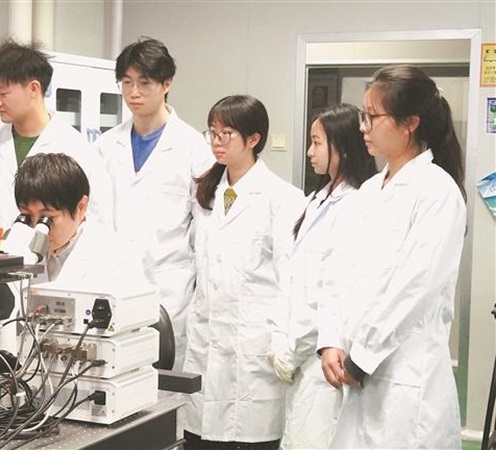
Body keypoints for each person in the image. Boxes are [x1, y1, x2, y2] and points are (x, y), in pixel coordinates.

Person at [317, 65, 466, 448]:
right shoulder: (368, 191)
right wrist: (330, 340)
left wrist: (363, 357)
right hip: (356, 373)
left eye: (372, 116)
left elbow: (414, 288)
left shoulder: (437, 192)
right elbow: (336, 271)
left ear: (410, 123)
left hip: (405, 379)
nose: (362, 127)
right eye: (363, 115)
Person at [182, 95, 304, 449]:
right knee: (199, 436)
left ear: (253, 139)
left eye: (227, 133)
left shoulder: (282, 197)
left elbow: (290, 278)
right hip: (206, 339)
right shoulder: (205, 192)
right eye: (212, 132)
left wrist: (283, 343)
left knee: (247, 437)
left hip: (252, 345)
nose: (217, 141)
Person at [95, 37, 213, 369]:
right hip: (116, 287)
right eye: (127, 82)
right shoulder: (106, 146)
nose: (134, 92)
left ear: (167, 84)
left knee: (164, 386)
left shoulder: (193, 148)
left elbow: (204, 232)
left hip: (170, 292)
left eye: (144, 83)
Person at [266, 103, 377, 449]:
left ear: (342, 147)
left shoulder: (354, 205)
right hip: (301, 359)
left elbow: (330, 292)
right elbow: (292, 280)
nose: (310, 152)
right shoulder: (316, 201)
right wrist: (280, 342)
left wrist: (293, 352)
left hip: (321, 360)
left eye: (317, 143)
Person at [0, 38, 113, 232]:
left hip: (54, 253)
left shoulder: (79, 151)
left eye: (3, 93)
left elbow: (96, 222)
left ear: (33, 89)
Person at [12, 152, 143, 287]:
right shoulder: (21, 250)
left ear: (81, 207)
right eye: (27, 217)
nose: (36, 228)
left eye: (48, 218)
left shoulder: (118, 257)